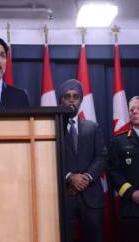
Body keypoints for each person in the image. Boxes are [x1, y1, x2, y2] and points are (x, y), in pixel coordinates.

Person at [59, 79, 107, 242]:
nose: (71, 99)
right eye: (67, 96)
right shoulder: (52, 128)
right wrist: (69, 176)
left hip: (91, 197)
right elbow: (49, 159)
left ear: (81, 100)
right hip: (65, 198)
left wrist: (86, 177)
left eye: (75, 96)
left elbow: (101, 156)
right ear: (61, 100)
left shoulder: (92, 127)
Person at [109, 96, 139, 242]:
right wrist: (132, 193)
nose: (135, 112)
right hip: (131, 209)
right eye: (132, 110)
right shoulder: (119, 141)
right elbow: (114, 173)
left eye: (138, 109)